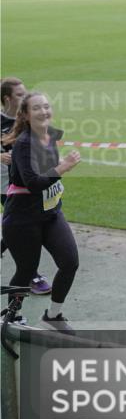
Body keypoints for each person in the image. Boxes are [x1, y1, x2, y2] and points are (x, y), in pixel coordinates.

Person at [2, 92, 81, 334]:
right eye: (36, 108)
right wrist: (63, 167)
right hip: (23, 219)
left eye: (46, 106)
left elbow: (46, 176)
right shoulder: (24, 144)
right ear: (26, 115)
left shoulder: (50, 135)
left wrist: (57, 167)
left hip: (51, 214)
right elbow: (34, 183)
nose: (43, 111)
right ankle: (13, 317)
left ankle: (53, 317)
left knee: (70, 262)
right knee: (26, 270)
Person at [1, 77, 52, 295]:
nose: (25, 97)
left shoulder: (28, 118)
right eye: (20, 94)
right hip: (6, 184)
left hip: (27, 182)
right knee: (23, 227)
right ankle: (31, 274)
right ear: (7, 99)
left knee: (19, 226)